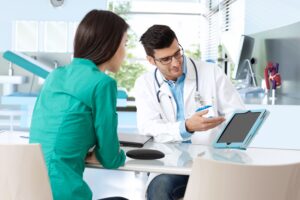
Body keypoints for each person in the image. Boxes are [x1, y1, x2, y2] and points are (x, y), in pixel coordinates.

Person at [134, 25, 245, 200]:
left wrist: (229, 143)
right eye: (166, 59)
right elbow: (148, 127)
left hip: (211, 161)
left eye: (177, 53)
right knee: (159, 189)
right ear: (151, 60)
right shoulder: (144, 84)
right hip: (169, 163)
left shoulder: (211, 73)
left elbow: (237, 114)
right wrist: (185, 127)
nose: (176, 63)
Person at [30, 10, 129, 200]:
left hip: (32, 190)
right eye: (124, 44)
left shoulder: (55, 76)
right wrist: (115, 154)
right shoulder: (103, 83)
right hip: (65, 194)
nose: (125, 52)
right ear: (111, 45)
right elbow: (110, 157)